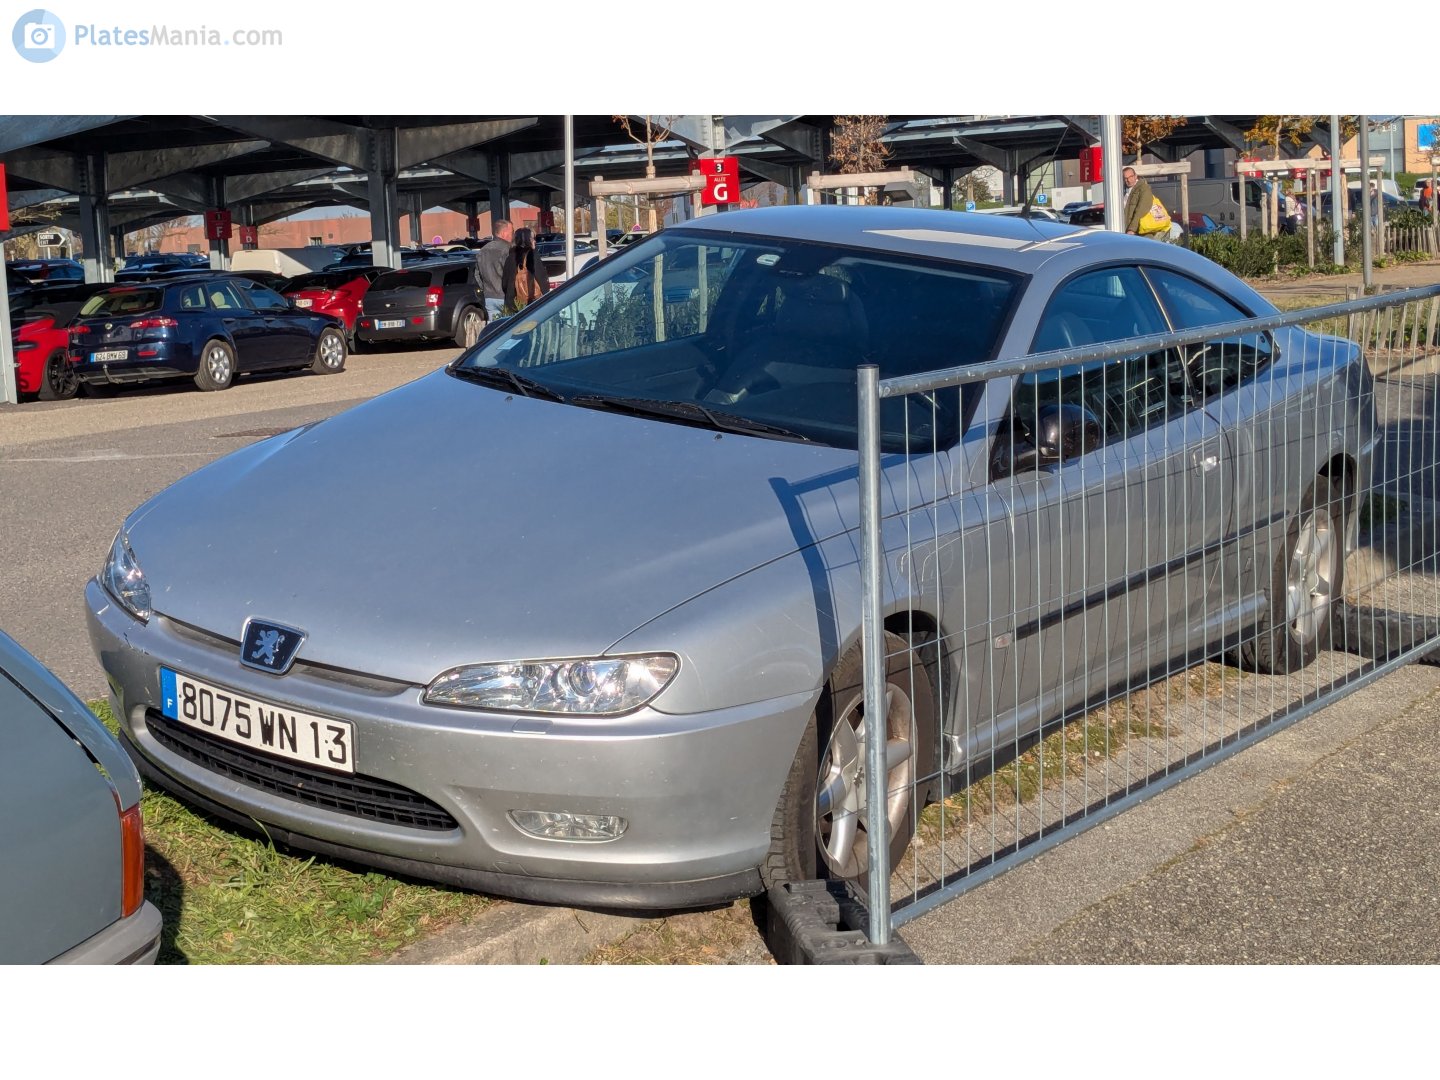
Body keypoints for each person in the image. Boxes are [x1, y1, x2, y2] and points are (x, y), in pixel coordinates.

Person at [501, 227, 550, 314]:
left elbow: (505, 283)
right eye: (533, 238)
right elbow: (542, 280)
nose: (535, 241)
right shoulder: (532, 256)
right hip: (532, 303)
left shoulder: (510, 257)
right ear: (528, 240)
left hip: (513, 304)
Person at [475, 218, 513, 320]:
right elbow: (511, 274)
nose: (512, 235)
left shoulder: (482, 251)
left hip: (489, 296)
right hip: (505, 297)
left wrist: (484, 288)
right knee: (509, 329)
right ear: (504, 233)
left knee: (494, 330)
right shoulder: (508, 249)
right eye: (511, 232)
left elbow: (477, 275)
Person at [1122, 166, 1169, 240]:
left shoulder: (1143, 188)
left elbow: (1142, 209)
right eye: (1126, 178)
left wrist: (1132, 229)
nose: (1129, 180)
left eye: (1131, 176)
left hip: (1141, 233)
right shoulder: (1125, 191)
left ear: (1135, 176)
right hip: (1129, 233)